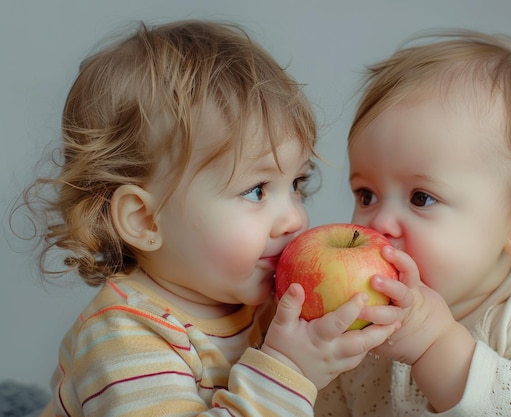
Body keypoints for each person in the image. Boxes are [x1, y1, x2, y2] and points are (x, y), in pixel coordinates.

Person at [17, 20, 400, 417]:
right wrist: (289, 371)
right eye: (256, 190)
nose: (293, 218)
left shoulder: (260, 300)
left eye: (297, 183)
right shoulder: (124, 336)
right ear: (146, 220)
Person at [316, 29, 511, 416]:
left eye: (421, 198)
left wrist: (434, 345)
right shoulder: (366, 313)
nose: (380, 222)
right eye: (366, 195)